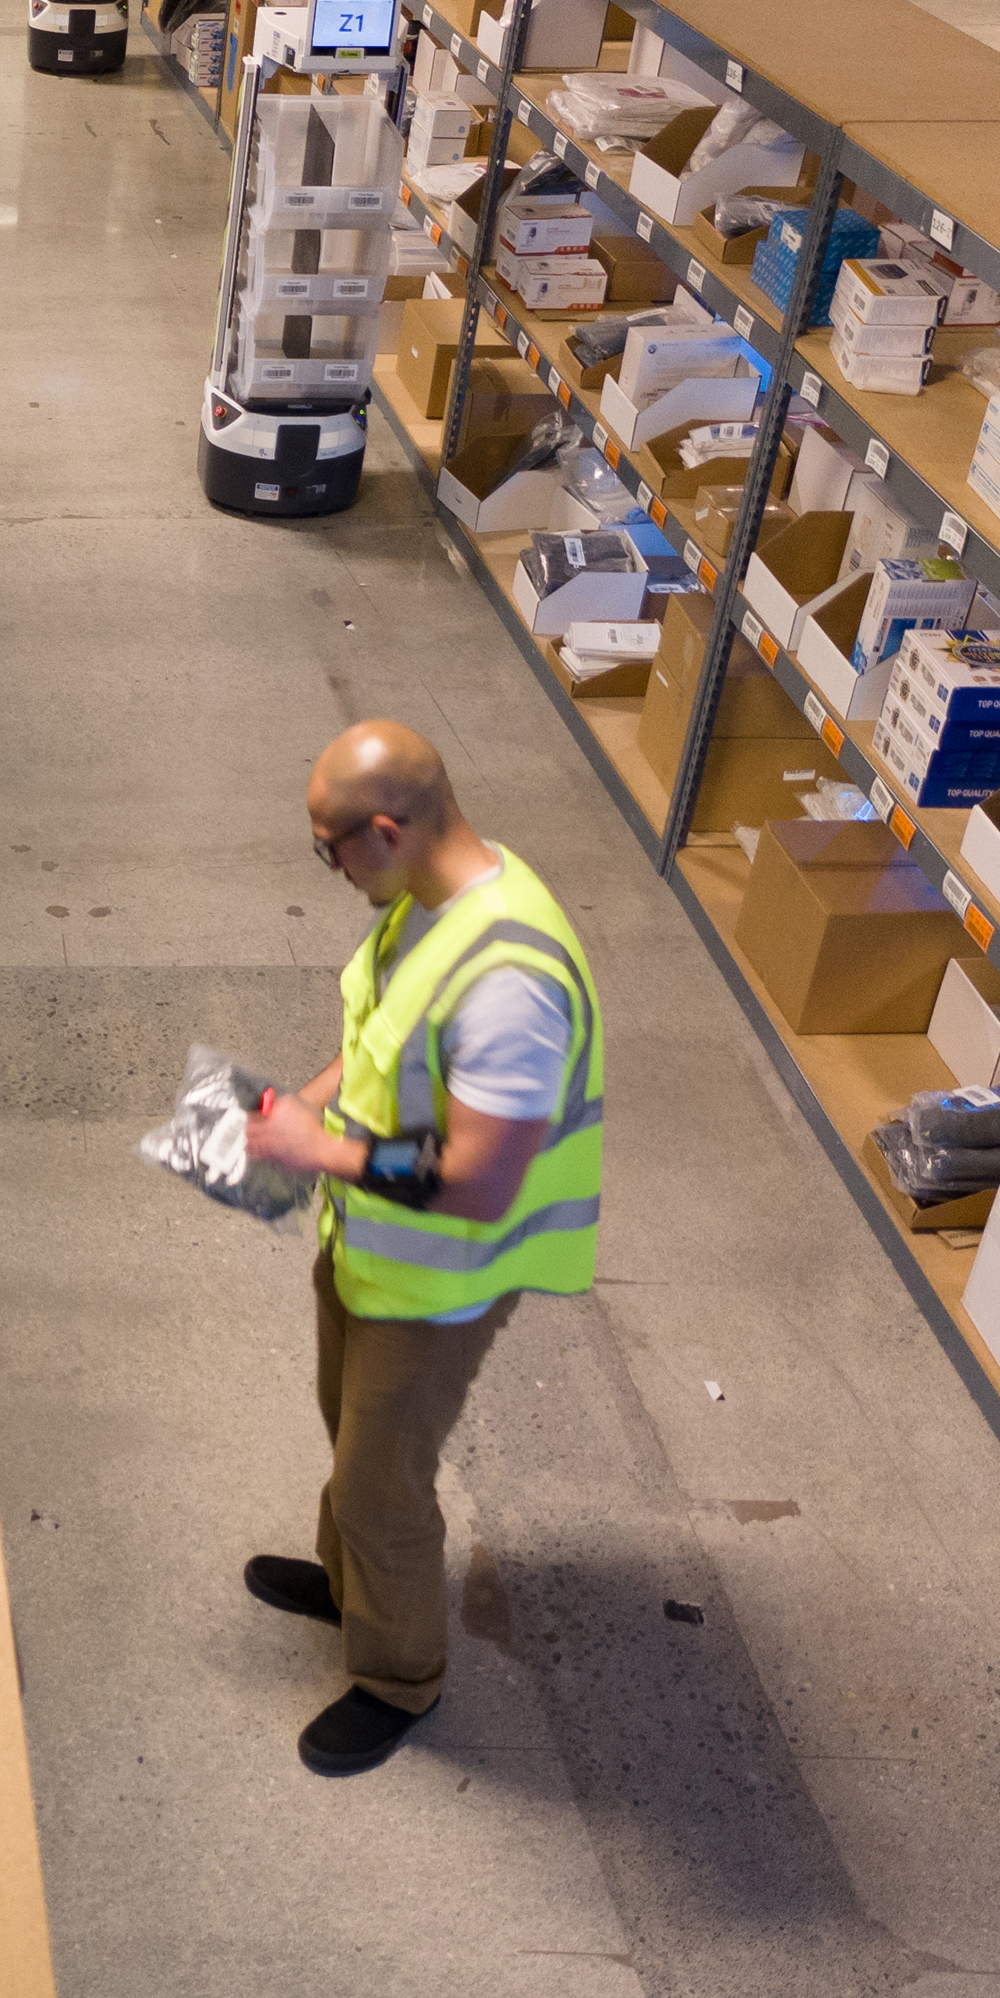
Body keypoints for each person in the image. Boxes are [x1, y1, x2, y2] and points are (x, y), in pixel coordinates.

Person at [237, 723, 603, 1778]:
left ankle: (400, 1673)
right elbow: (376, 1045)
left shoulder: (511, 984)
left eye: (331, 848)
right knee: (348, 1435)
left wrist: (320, 1150)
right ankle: (352, 1587)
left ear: (385, 832)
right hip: (370, 1247)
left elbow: (485, 1179)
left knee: (382, 1486)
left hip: (439, 1282)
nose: (332, 867)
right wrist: (289, 1117)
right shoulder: (424, 906)